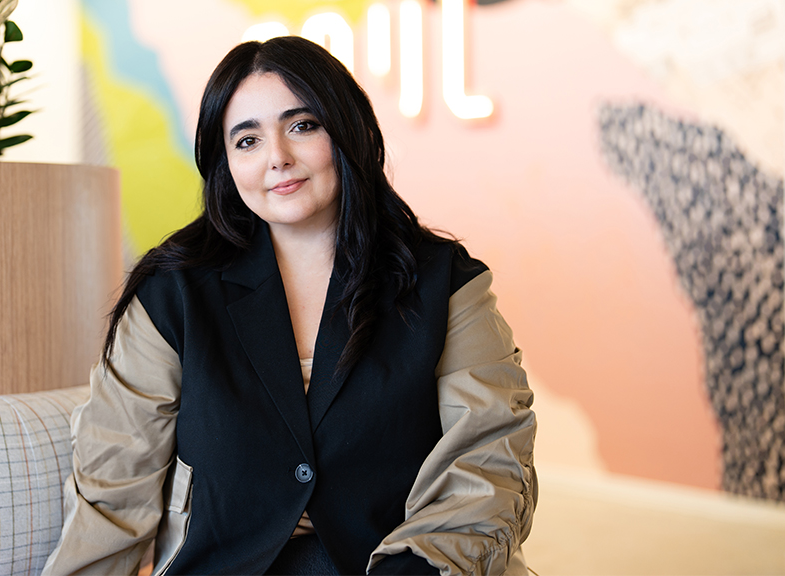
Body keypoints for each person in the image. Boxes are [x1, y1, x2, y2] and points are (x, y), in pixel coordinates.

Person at [43, 36, 536, 576]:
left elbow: (488, 462)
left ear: (348, 130)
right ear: (225, 164)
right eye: (247, 140)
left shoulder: (445, 282)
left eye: (302, 126)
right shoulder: (172, 296)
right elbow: (113, 493)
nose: (277, 157)